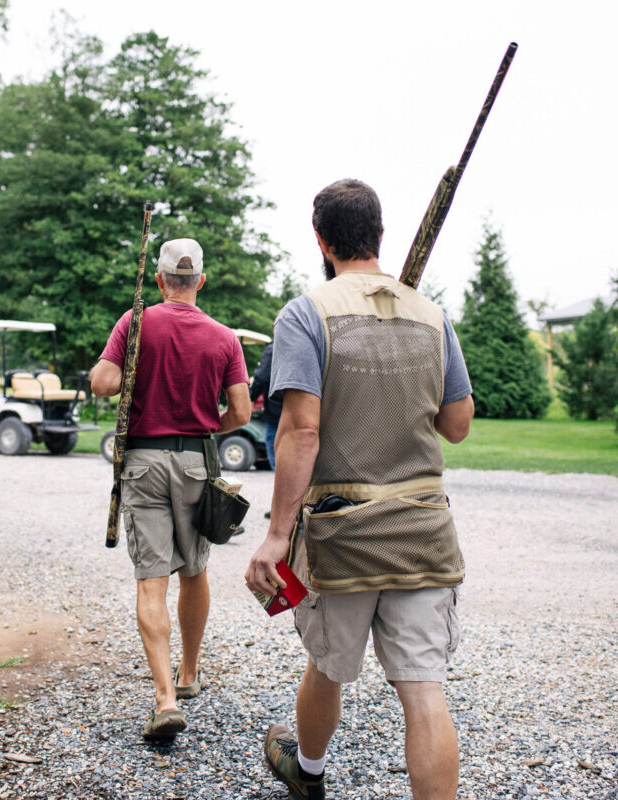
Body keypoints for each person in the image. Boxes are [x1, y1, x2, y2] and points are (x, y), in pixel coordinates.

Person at [245, 179, 475, 800]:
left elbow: (300, 431)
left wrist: (274, 536)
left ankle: (309, 773)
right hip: (422, 530)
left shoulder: (306, 313)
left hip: (340, 535)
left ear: (320, 239)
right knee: (424, 688)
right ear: (379, 235)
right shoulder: (432, 316)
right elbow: (457, 425)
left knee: (327, 665)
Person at [90, 238, 251, 741]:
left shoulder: (134, 322)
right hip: (196, 461)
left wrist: (121, 360)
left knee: (151, 580)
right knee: (195, 569)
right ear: (200, 280)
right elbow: (242, 414)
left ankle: (163, 699)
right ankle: (187, 674)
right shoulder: (225, 338)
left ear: (160, 281)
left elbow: (103, 384)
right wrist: (207, 425)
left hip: (141, 460)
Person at [249, 340, 282, 518]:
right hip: (305, 411)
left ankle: (281, 509)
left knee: (278, 460)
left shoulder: (275, 347)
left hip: (276, 412)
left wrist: (249, 397)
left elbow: (262, 377)